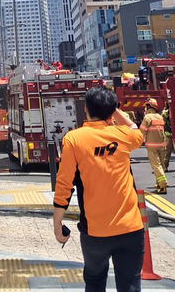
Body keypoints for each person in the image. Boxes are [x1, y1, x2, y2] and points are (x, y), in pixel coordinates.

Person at [53, 86, 144, 292]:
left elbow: (64, 185)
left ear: (85, 109)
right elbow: (136, 130)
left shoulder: (74, 139)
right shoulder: (123, 135)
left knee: (94, 282)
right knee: (130, 285)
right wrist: (114, 111)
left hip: (95, 233)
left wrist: (57, 222)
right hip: (131, 229)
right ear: (112, 112)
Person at [140, 98, 168, 194]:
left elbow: (142, 131)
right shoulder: (159, 117)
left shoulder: (147, 118)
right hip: (162, 145)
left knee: (156, 165)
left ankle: (163, 184)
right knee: (161, 165)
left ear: (149, 106)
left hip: (152, 146)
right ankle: (158, 182)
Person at [161, 105, 173, 173]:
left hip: (168, 134)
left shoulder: (165, 113)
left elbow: (162, 123)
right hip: (174, 134)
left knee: (167, 152)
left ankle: (164, 167)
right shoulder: (166, 113)